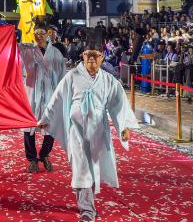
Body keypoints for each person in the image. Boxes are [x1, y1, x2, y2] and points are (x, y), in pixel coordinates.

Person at [38, 41, 139, 222]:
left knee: (93, 169)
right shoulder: (72, 76)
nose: (91, 58)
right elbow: (57, 98)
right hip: (76, 130)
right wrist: (46, 118)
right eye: (88, 55)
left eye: (96, 55)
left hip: (98, 130)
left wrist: (124, 126)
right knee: (82, 168)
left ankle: (88, 203)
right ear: (82, 56)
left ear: (102, 57)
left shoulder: (109, 80)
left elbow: (119, 103)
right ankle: (87, 210)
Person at [19, 24, 66, 173]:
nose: (38, 36)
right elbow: (17, 65)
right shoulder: (27, 50)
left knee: (51, 125)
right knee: (29, 125)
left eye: (42, 33)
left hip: (49, 90)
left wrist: (61, 95)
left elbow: (61, 75)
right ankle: (32, 159)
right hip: (31, 89)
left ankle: (45, 154)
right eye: (36, 33)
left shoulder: (56, 53)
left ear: (48, 35)